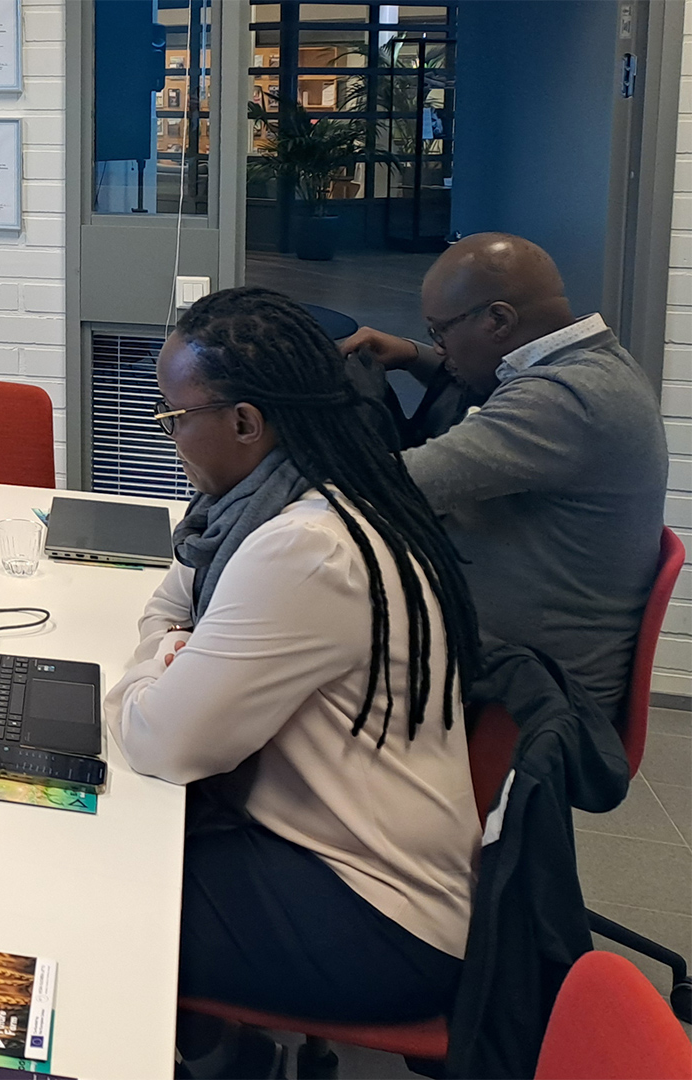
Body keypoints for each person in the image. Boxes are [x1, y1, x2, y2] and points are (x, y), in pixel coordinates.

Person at [106, 288, 483, 1077]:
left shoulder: (303, 546)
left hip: (374, 909)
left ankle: (200, 1050)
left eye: (175, 419)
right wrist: (177, 646)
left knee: (90, 897)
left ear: (245, 422)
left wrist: (157, 664)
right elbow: (171, 600)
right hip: (327, 839)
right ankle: (212, 1043)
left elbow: (160, 740)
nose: (167, 437)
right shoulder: (280, 497)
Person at [340, 233, 668, 719]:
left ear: (498, 320)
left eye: (440, 333)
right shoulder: (590, 362)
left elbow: (396, 487)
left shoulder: (565, 401)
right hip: (521, 652)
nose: (440, 348)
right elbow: (492, 379)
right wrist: (414, 355)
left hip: (534, 690)